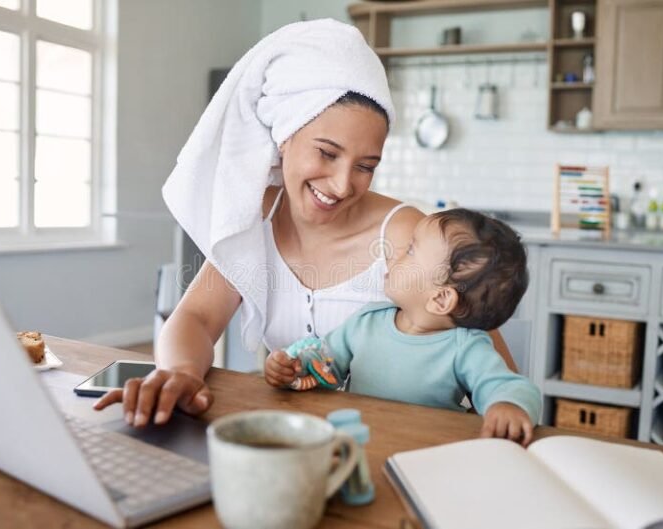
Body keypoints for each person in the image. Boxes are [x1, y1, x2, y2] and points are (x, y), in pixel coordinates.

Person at [94, 19, 517, 427]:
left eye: (366, 166)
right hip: (294, 435)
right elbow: (197, 319)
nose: (342, 184)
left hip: (399, 441)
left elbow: (492, 360)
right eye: (327, 153)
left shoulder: (407, 236)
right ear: (285, 136)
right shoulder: (255, 218)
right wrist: (182, 372)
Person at [264, 209, 541, 445]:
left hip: (425, 452)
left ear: (440, 298)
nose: (396, 253)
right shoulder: (367, 322)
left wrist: (509, 405)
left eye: (411, 250)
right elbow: (325, 363)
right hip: (358, 443)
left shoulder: (465, 345)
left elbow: (509, 386)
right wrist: (295, 367)